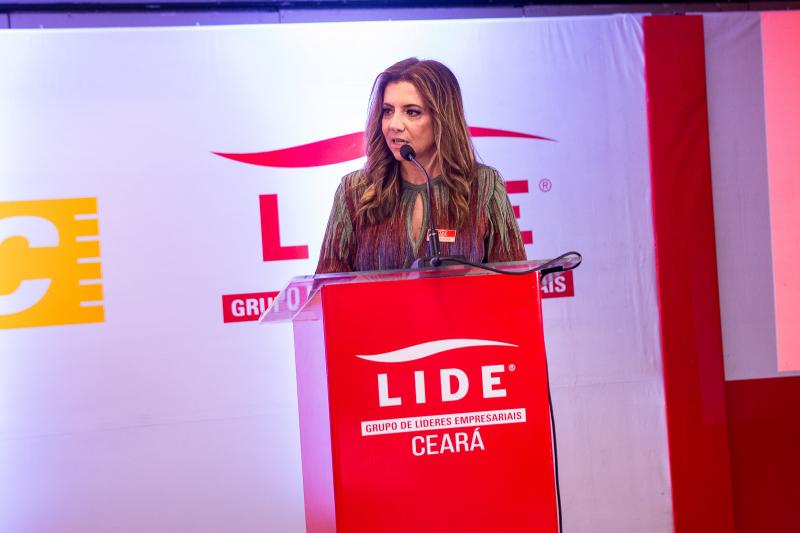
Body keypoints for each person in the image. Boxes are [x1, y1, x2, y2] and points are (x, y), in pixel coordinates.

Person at [316, 57, 526, 274]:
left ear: (443, 118)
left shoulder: (484, 186)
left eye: (412, 112)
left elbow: (515, 281)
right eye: (387, 111)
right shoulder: (354, 190)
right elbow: (326, 285)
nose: (394, 125)